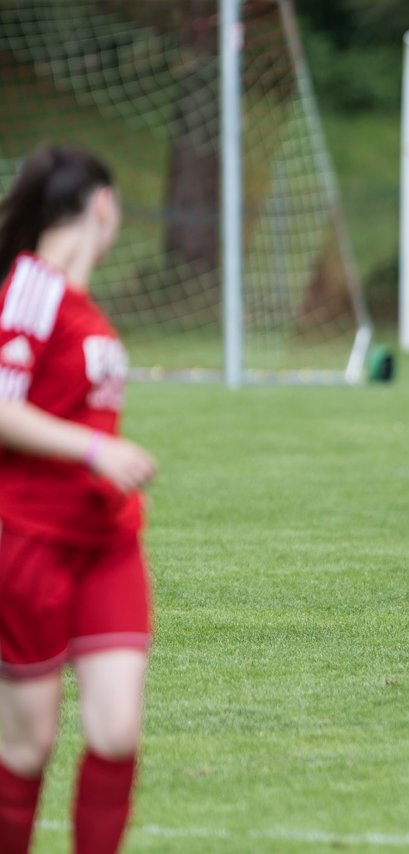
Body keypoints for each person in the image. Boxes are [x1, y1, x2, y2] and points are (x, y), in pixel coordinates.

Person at [0, 145, 157, 853]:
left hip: (107, 543)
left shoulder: (83, 305)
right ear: (102, 206)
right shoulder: (34, 287)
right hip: (30, 540)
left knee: (116, 731)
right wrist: (96, 451)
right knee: (29, 746)